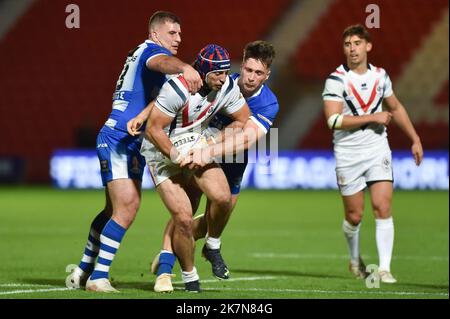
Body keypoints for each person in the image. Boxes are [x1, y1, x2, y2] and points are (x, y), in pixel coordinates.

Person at [66, 11, 202, 293]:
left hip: (130, 139)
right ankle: (98, 277)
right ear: (155, 34)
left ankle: (82, 271)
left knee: (112, 210)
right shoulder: (152, 52)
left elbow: (158, 102)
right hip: (118, 136)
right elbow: (163, 61)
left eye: (180, 33)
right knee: (127, 207)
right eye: (172, 33)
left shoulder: (149, 63)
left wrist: (143, 116)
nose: (179, 38)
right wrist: (184, 68)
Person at [146, 40, 279, 293]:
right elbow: (175, 96)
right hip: (193, 149)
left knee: (217, 214)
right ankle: (166, 263)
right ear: (242, 64)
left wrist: (209, 148)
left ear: (267, 75)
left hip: (231, 158)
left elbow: (247, 137)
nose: (250, 78)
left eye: (258, 73)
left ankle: (209, 245)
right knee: (185, 212)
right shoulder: (221, 77)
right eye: (248, 70)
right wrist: (144, 116)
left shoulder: (268, 103)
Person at [322, 24, 423, 283]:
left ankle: (385, 269)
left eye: (357, 43)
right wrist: (373, 117)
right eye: (347, 44)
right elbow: (333, 120)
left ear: (368, 46)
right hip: (348, 153)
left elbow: (396, 107)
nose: (352, 48)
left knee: (383, 206)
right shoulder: (336, 79)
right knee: (354, 216)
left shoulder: (380, 76)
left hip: (378, 148)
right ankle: (355, 260)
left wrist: (415, 138)